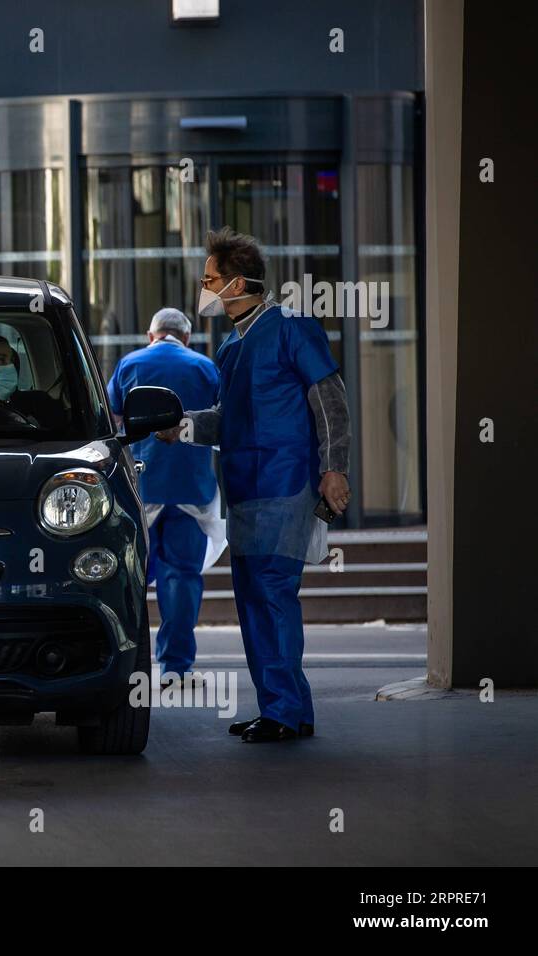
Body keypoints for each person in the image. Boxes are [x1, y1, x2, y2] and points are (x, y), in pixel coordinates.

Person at [157, 227, 351, 743]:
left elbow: (328, 398)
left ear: (237, 281)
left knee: (272, 592)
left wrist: (335, 468)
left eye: (210, 278)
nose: (204, 287)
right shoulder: (230, 349)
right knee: (252, 598)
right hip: (243, 489)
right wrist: (183, 427)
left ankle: (285, 711)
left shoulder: (291, 327)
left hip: (287, 483)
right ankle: (282, 708)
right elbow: (229, 420)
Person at [107, 308, 222, 686]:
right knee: (182, 579)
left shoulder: (129, 364)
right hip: (192, 489)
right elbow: (223, 422)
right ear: (186, 337)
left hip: (142, 490)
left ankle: (128, 668)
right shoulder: (205, 367)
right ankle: (175, 668)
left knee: (131, 579)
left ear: (151, 334)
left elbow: (111, 419)